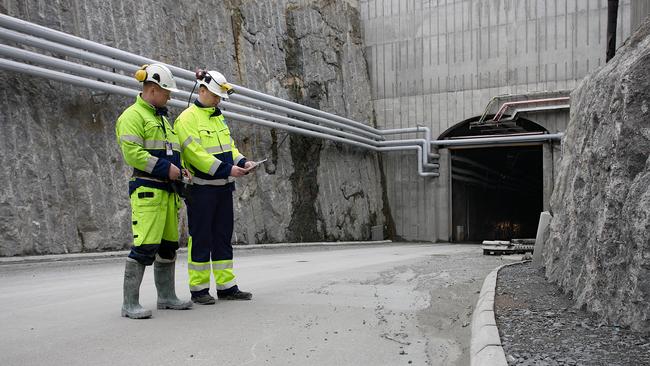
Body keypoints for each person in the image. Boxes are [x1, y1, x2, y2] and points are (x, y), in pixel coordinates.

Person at [115, 63, 193, 318]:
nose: (169, 96)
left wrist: (181, 170)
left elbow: (172, 152)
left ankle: (167, 297)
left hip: (168, 193)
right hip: (148, 190)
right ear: (151, 88)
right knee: (145, 246)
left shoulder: (162, 118)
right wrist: (165, 169)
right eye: (166, 92)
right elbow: (133, 154)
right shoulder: (132, 116)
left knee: (168, 246)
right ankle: (129, 304)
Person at [174, 69, 254, 304]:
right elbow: (197, 156)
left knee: (222, 237)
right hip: (201, 189)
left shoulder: (217, 116)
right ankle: (198, 290)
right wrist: (229, 169)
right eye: (215, 96)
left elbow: (229, 146)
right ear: (202, 90)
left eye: (220, 97)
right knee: (201, 237)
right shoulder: (186, 119)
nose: (218, 100)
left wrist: (241, 161)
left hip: (223, 188)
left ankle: (226, 286)